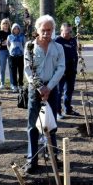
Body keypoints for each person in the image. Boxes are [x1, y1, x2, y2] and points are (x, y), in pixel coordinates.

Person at [23, 15, 65, 174]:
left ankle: (53, 155)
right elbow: (28, 70)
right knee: (33, 126)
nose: (47, 33)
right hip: (36, 90)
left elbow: (61, 68)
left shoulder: (58, 47)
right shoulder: (30, 47)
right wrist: (40, 87)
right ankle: (32, 159)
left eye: (50, 30)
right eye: (43, 30)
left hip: (52, 90)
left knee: (51, 123)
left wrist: (49, 87)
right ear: (37, 30)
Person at [55, 23, 80, 118]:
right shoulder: (57, 41)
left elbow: (75, 55)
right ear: (62, 31)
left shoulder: (73, 40)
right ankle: (57, 111)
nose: (69, 33)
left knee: (69, 90)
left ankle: (68, 109)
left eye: (70, 31)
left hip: (71, 70)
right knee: (59, 91)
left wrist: (75, 68)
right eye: (67, 31)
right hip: (60, 71)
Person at [7, 23, 25, 92]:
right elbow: (8, 45)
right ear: (12, 29)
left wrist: (22, 51)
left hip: (20, 56)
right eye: (14, 28)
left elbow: (24, 44)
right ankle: (14, 86)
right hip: (12, 56)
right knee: (13, 71)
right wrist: (11, 51)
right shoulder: (9, 36)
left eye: (17, 28)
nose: (16, 30)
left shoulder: (22, 36)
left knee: (20, 71)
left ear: (19, 29)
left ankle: (20, 85)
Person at [0, 18, 12, 89]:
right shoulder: (0, 32)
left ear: (9, 24)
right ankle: (2, 84)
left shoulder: (11, 32)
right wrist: (2, 43)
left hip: (11, 51)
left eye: (7, 23)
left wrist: (10, 44)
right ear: (2, 25)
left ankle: (12, 84)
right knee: (2, 68)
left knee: (11, 68)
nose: (5, 25)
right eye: (4, 23)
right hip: (2, 51)